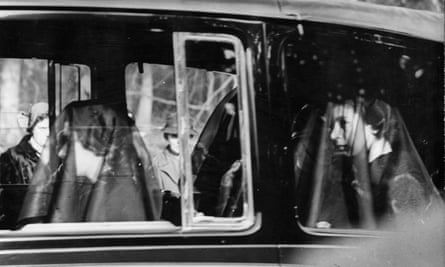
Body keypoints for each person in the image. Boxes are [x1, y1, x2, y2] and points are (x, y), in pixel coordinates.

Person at [17, 102, 162, 225]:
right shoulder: (62, 179)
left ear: (96, 146)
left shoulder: (123, 198)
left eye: (70, 140)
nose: (61, 150)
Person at [328, 98, 441, 226]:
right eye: (333, 125)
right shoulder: (359, 170)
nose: (333, 134)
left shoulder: (402, 180)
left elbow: (412, 239)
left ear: (374, 126)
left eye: (343, 123)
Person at [0, 102, 49, 228]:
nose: (48, 133)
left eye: (51, 128)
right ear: (32, 129)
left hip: (51, 229)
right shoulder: (11, 158)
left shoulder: (60, 157)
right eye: (42, 128)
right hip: (20, 229)